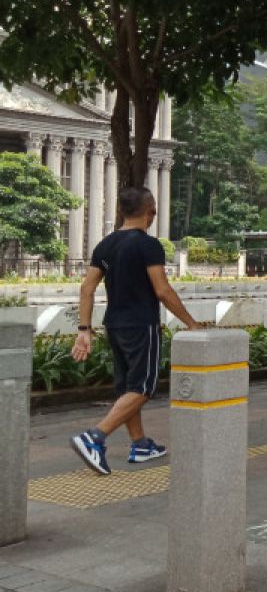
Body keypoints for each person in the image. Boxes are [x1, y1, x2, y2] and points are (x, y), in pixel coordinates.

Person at [70, 187, 200, 475]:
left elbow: (87, 288)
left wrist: (84, 330)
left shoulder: (105, 245)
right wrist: (191, 324)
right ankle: (95, 437)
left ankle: (140, 445)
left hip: (114, 324)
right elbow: (162, 290)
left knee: (128, 387)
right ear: (150, 211)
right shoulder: (149, 245)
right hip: (141, 325)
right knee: (143, 388)